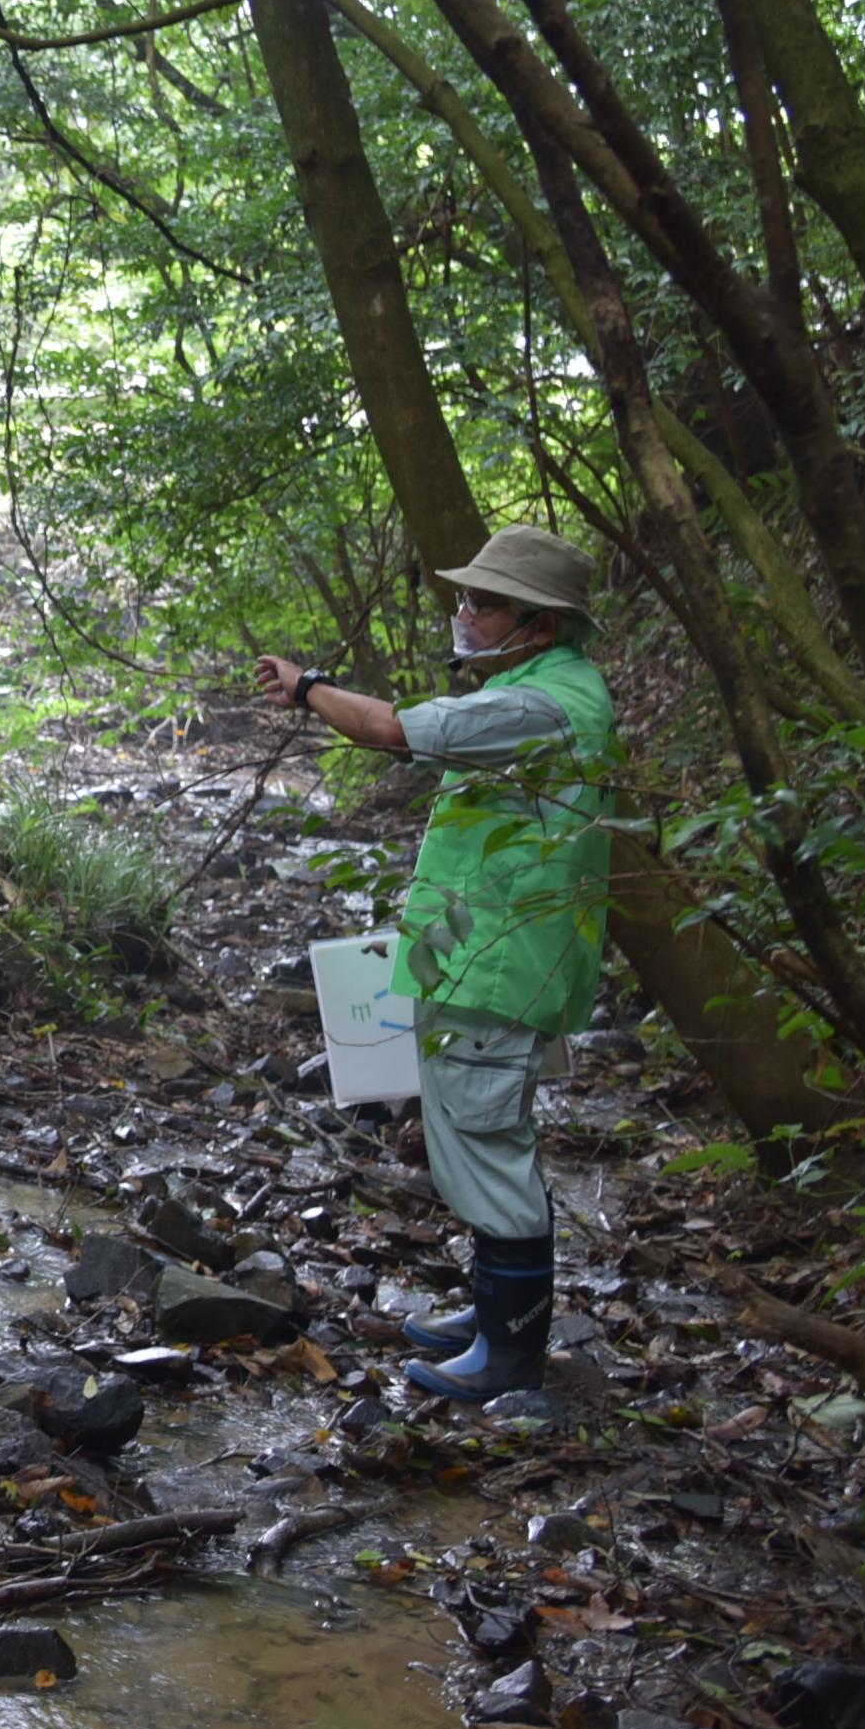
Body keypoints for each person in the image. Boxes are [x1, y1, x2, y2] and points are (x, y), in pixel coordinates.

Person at [253, 525, 618, 1410]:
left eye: (481, 602)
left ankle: (510, 1354)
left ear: (537, 620)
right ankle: (495, 1320)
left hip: (500, 970)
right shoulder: (541, 686)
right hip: (485, 962)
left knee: (488, 1148)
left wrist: (307, 689)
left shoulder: (541, 705)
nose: (463, 614)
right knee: (479, 1138)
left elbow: (387, 728)